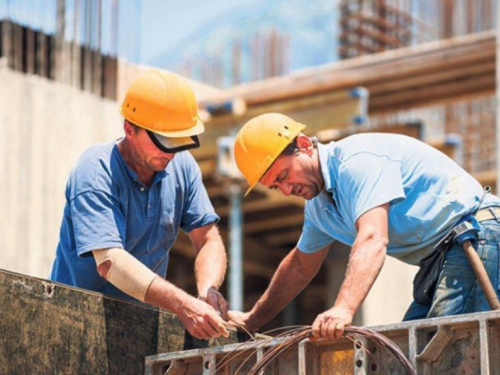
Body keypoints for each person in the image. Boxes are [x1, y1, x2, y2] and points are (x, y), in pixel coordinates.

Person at [228, 112, 500, 341]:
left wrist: (344, 308)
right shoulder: (319, 208)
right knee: (407, 353)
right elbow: (300, 266)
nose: (286, 190)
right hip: (440, 257)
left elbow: (372, 238)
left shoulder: (355, 161)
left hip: (475, 233)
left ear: (304, 144)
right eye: (276, 186)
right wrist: (252, 320)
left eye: (285, 175)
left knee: (447, 349)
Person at [50, 70, 229, 340]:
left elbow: (207, 240)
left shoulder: (182, 166)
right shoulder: (95, 171)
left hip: (140, 326)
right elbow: (110, 262)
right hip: (74, 323)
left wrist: (208, 292)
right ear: (129, 129)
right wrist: (182, 304)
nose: (170, 151)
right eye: (163, 140)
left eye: (179, 140)